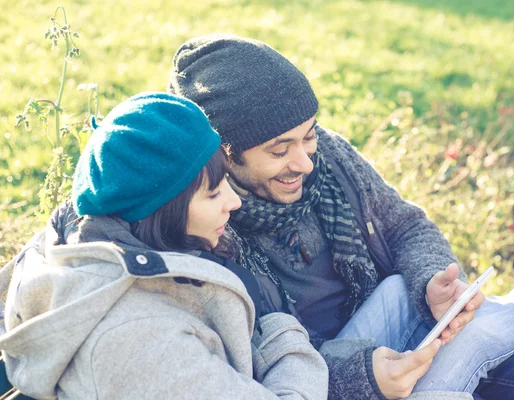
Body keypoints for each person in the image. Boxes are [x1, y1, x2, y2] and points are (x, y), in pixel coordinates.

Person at [168, 34, 514, 400]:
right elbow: (259, 376)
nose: (303, 162)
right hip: (341, 377)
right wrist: (362, 376)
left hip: (415, 331)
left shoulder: (330, 158)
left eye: (309, 135)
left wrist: (431, 281)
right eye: (279, 150)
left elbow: (405, 227)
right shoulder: (206, 224)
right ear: (225, 152)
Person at [0, 92, 328, 399]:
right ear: (161, 212)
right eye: (212, 193)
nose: (233, 202)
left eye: (225, 181)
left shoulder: (72, 241)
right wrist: (285, 336)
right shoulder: (145, 343)